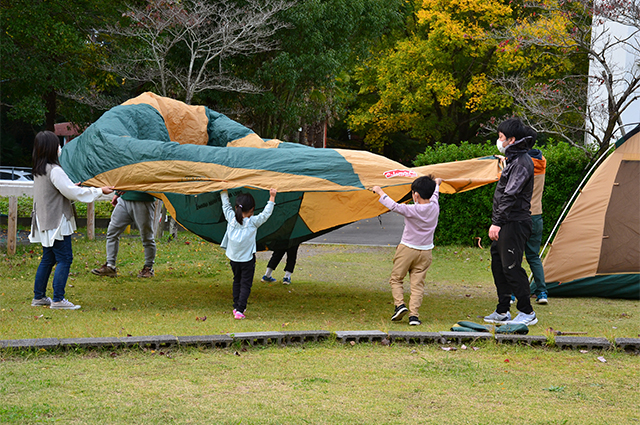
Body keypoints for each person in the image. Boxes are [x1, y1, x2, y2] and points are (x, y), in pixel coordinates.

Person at [29, 131, 114, 310]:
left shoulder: (39, 169)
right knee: (65, 258)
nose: (60, 148)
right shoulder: (55, 169)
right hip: (56, 221)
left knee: (48, 259)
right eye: (57, 144)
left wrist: (70, 188)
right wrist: (99, 191)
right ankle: (58, 299)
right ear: (51, 148)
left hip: (44, 220)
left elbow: (59, 191)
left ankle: (39, 297)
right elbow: (72, 192)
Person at [484, 118, 538, 326]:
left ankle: (527, 311)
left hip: (514, 222)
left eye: (501, 138)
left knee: (512, 266)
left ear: (512, 139)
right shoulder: (514, 160)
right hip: (505, 222)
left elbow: (510, 195)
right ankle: (502, 309)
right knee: (498, 265)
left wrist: (497, 222)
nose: (499, 141)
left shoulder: (523, 163)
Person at [372, 176, 441, 326]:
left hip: (407, 249)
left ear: (415, 195)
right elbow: (435, 194)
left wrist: (379, 191)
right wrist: (437, 184)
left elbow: (394, 206)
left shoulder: (412, 209)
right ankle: (414, 316)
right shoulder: (435, 206)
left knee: (396, 278)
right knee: (417, 285)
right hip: (426, 252)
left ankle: (400, 305)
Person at [221, 188, 277, 319]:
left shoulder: (231, 218)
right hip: (247, 260)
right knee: (245, 284)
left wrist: (223, 191)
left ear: (236, 207)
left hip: (233, 259)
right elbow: (266, 213)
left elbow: (225, 204)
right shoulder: (253, 222)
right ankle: (240, 310)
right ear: (252, 209)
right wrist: (272, 197)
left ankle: (236, 307)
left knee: (237, 280)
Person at [91, 190, 157, 278]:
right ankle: (110, 266)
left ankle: (148, 268)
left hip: (143, 199)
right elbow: (125, 176)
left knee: (147, 237)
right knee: (112, 232)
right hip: (124, 200)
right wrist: (117, 194)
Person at [525, 147, 549, 304]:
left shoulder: (522, 165)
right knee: (533, 256)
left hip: (521, 216)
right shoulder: (542, 162)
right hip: (537, 216)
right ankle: (542, 293)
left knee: (513, 256)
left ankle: (513, 293)